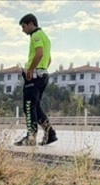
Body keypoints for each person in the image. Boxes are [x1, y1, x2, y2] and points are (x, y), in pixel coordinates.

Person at [14, 13, 57, 146]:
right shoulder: (45, 37)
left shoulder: (36, 35)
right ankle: (50, 133)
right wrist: (41, 70)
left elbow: (39, 54)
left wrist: (32, 70)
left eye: (24, 27)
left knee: (28, 106)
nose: (23, 30)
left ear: (31, 24)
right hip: (42, 75)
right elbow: (48, 59)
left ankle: (31, 136)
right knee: (35, 106)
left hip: (34, 76)